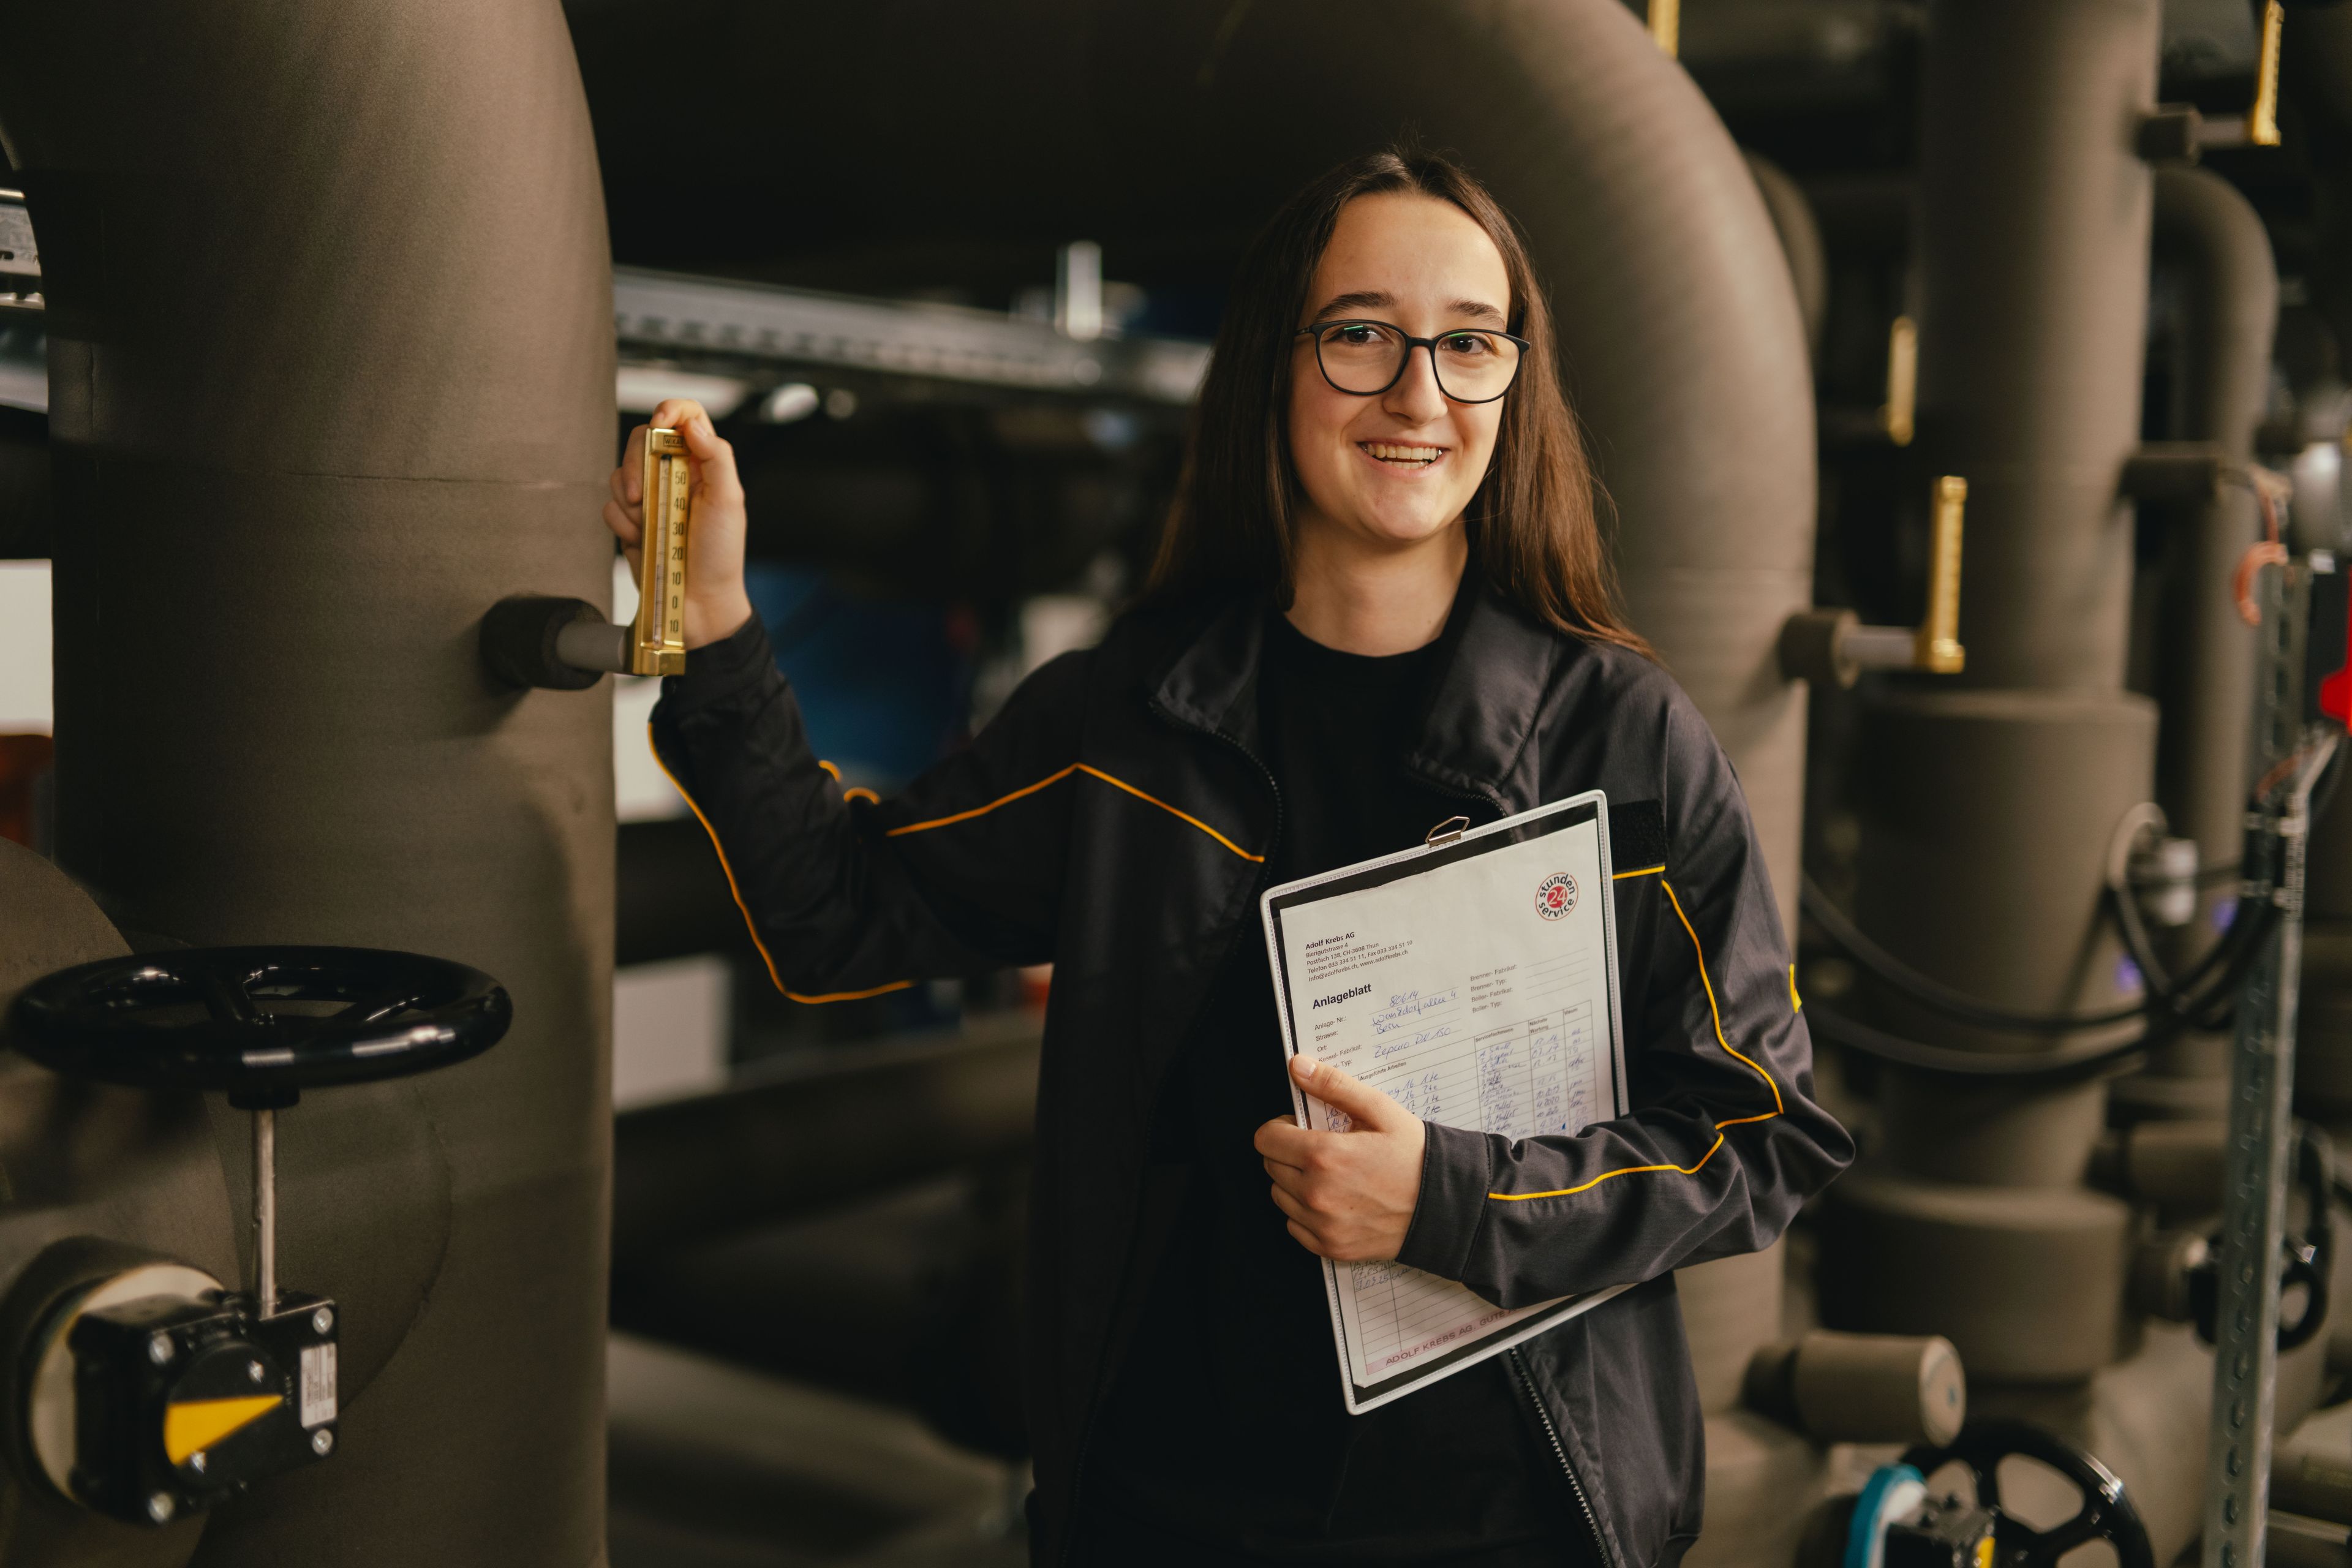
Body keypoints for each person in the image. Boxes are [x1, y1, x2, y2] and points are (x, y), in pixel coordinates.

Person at [608, 146, 1852, 1568]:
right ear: (1275, 363)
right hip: (1168, 1509)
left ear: (1516, 384)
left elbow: (1762, 1127)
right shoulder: (1128, 721)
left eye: (1468, 344)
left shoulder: (1621, 740)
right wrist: (714, 621)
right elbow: (838, 913)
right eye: (1363, 334)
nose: (1419, 394)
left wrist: (1453, 1201)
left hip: (1508, 1520)